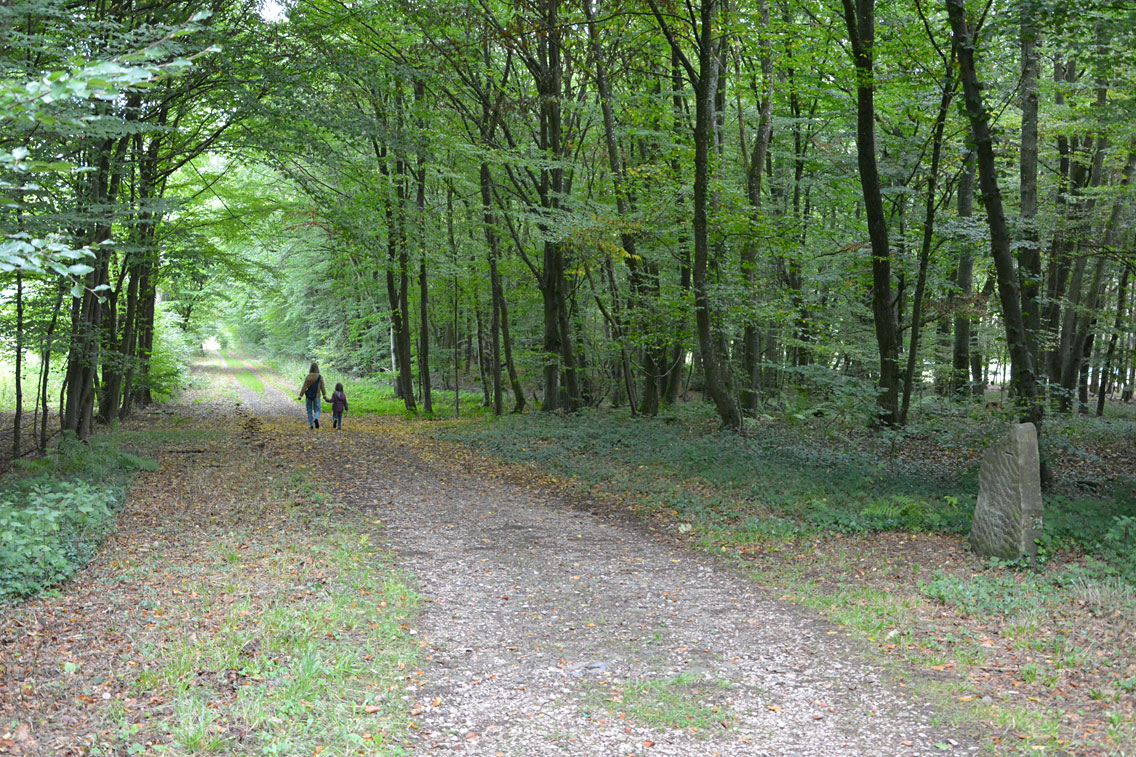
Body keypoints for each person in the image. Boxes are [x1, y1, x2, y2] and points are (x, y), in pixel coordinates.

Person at [297, 362, 329, 428]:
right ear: (317, 368)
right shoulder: (320, 377)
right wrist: (324, 395)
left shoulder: (308, 377)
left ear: (311, 368)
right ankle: (316, 419)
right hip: (317, 396)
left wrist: (300, 395)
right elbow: (322, 387)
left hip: (309, 396)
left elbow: (304, 387)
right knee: (317, 409)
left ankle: (311, 425)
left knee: (309, 410)